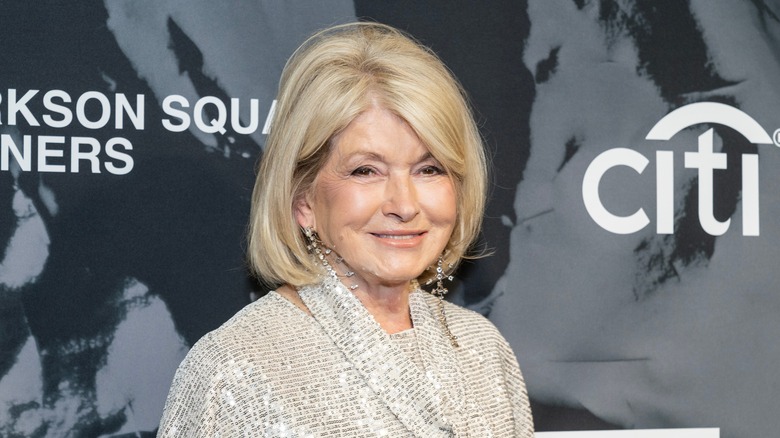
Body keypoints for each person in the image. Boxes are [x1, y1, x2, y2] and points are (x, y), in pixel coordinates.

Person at [157, 22, 534, 437]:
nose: (405, 205)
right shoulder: (234, 369)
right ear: (303, 201)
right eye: (366, 171)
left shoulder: (482, 347)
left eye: (429, 169)